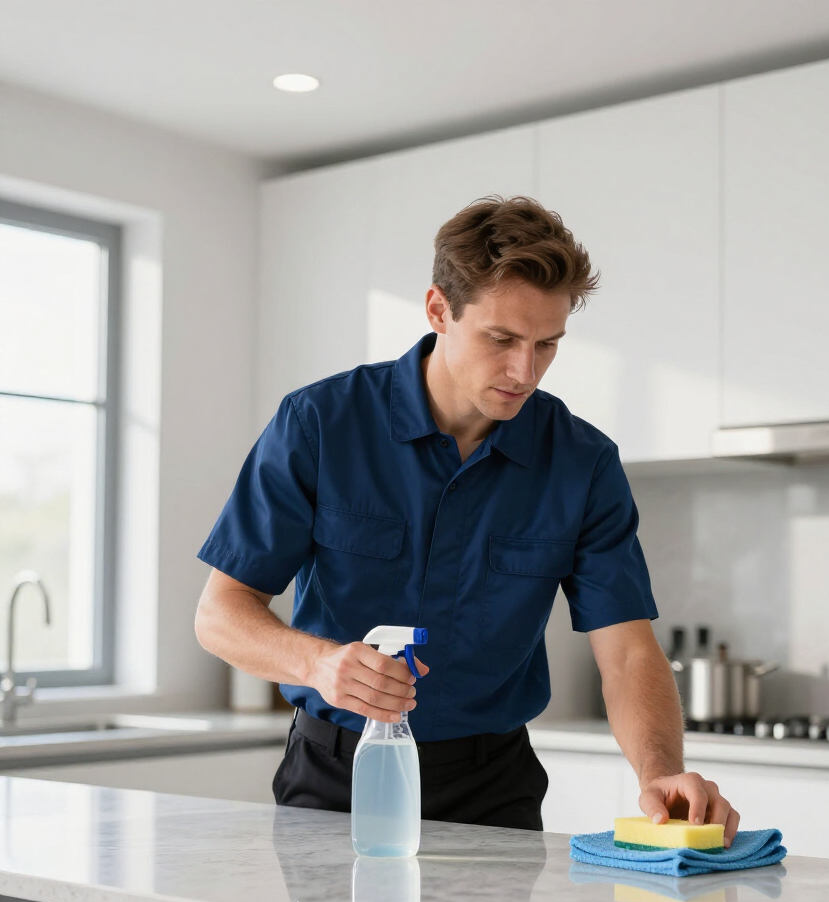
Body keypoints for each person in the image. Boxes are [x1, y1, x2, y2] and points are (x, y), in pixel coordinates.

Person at [195, 195, 739, 845]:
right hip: (334, 779)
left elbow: (625, 652)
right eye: (502, 339)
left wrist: (660, 771)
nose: (524, 371)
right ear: (437, 310)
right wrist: (318, 665)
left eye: (547, 345)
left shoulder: (583, 462)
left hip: (492, 788)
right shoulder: (319, 424)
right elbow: (221, 614)